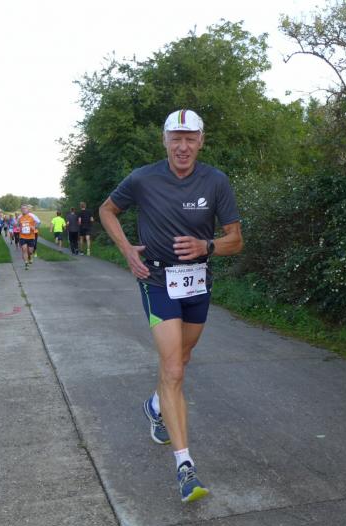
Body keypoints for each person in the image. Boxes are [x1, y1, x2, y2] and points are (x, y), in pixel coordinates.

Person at [99, 109, 242, 503]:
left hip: (197, 281)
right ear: (164, 140)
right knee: (174, 368)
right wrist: (127, 249)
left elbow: (236, 239)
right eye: (176, 138)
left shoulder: (216, 181)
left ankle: (155, 404)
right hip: (157, 280)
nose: (183, 146)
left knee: (183, 357)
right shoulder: (143, 178)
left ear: (201, 141)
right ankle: (185, 467)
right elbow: (107, 210)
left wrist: (207, 246)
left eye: (190, 139)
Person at [17, 204, 39, 269]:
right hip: (22, 236)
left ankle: (30, 256)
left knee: (30, 251)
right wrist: (19, 228)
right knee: (24, 250)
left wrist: (34, 227)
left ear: (27, 209)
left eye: (25, 208)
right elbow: (17, 225)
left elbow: (38, 223)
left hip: (31, 237)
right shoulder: (19, 217)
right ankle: (26, 263)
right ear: (21, 210)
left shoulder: (32, 216)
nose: (23, 210)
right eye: (22, 208)